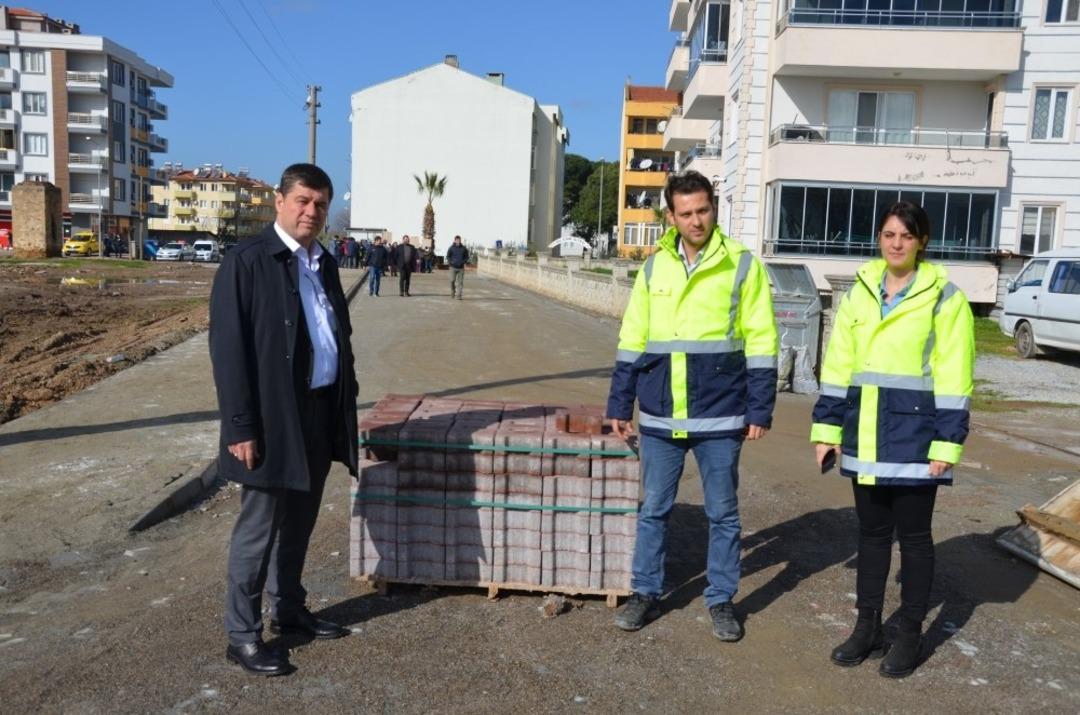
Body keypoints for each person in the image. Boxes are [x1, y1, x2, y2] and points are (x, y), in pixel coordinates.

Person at [606, 170, 778, 641]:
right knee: (655, 508)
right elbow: (632, 338)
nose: (696, 220)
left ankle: (721, 599)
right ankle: (646, 592)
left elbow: (762, 338)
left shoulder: (742, 264)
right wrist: (620, 403)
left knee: (722, 512)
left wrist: (760, 408)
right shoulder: (653, 267)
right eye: (686, 213)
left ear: (714, 209)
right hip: (661, 412)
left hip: (721, 414)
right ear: (671, 216)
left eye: (703, 210)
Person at [811, 200, 974, 679]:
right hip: (865, 432)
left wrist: (947, 444)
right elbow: (838, 366)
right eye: (888, 235)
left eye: (906, 235)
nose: (896, 243)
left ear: (922, 241)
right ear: (878, 239)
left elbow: (954, 374)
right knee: (872, 536)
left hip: (917, 438)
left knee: (916, 539)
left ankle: (909, 634)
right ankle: (867, 628)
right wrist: (826, 430)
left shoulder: (946, 297)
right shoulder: (860, 292)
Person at [209, 163, 359, 677]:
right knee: (259, 530)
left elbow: (336, 338)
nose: (310, 212)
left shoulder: (327, 264)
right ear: (279, 200)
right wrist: (240, 427)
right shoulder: (247, 262)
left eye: (319, 203)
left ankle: (289, 609)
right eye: (301, 201)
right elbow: (229, 352)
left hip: (318, 414)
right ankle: (243, 636)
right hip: (271, 422)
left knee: (300, 522)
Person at [446, 234, 469, 300]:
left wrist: (464, 262)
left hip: (461, 268)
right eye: (457, 240)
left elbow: (467, 257)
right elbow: (448, 256)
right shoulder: (451, 248)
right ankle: (453, 291)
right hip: (453, 267)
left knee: (460, 282)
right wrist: (451, 262)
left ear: (460, 241)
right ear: (455, 240)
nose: (458, 241)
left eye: (459, 240)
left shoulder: (464, 248)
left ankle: (459, 295)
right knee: (452, 280)